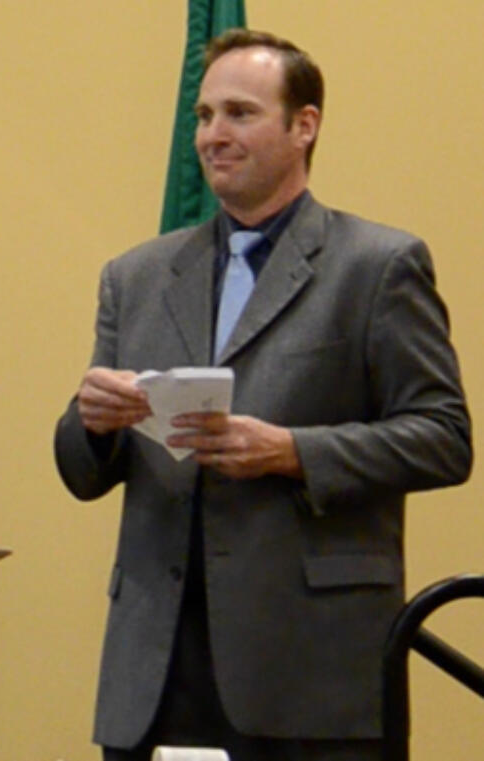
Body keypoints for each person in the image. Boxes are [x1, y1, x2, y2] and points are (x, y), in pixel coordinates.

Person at [53, 29, 470, 761]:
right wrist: (91, 423)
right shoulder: (137, 276)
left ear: (303, 125)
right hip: (156, 671)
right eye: (204, 116)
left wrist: (292, 451)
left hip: (310, 672)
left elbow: (443, 436)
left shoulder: (377, 266)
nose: (213, 135)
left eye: (239, 113)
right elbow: (82, 470)